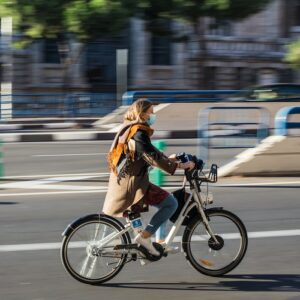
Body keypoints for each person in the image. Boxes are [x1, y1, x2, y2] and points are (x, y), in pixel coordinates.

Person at [103, 98, 195, 257]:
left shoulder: (129, 128)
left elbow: (149, 152)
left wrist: (169, 159)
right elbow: (150, 155)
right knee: (170, 203)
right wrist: (179, 166)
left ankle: (158, 243)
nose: (153, 115)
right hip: (132, 185)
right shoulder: (138, 132)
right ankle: (145, 238)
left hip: (124, 181)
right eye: (151, 112)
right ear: (142, 113)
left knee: (165, 202)